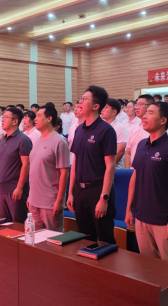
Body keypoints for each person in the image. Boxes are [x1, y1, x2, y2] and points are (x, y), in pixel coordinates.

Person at [125, 102, 168, 264]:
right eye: (145, 113)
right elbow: (134, 178)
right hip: (141, 215)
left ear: (163, 120)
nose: (144, 116)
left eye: (150, 113)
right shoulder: (141, 145)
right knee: (147, 265)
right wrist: (129, 209)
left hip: (163, 218)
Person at [67, 86, 117, 244]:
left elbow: (110, 166)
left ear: (96, 106)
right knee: (85, 238)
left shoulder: (106, 130)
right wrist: (70, 192)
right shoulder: (79, 130)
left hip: (98, 190)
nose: (80, 103)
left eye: (84, 99)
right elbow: (75, 161)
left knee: (105, 238)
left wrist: (104, 198)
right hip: (80, 191)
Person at [28, 106, 70, 232]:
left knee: (54, 239)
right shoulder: (38, 139)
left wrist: (59, 200)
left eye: (39, 116)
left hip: (50, 202)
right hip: (34, 200)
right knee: (36, 238)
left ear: (49, 118)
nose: (35, 119)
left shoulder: (59, 141)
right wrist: (30, 196)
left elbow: (64, 173)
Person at [0, 107, 32, 223]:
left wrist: (19, 187)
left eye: (5, 117)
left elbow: (26, 165)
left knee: (18, 224)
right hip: (2, 188)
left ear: (15, 121)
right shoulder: (2, 140)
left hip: (15, 188)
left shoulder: (23, 140)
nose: (2, 120)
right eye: (2, 117)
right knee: (5, 223)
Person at [101, 98, 129, 170]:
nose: (102, 110)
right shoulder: (99, 127)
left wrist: (105, 168)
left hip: (114, 169)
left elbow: (120, 152)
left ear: (114, 112)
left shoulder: (120, 128)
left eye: (106, 107)